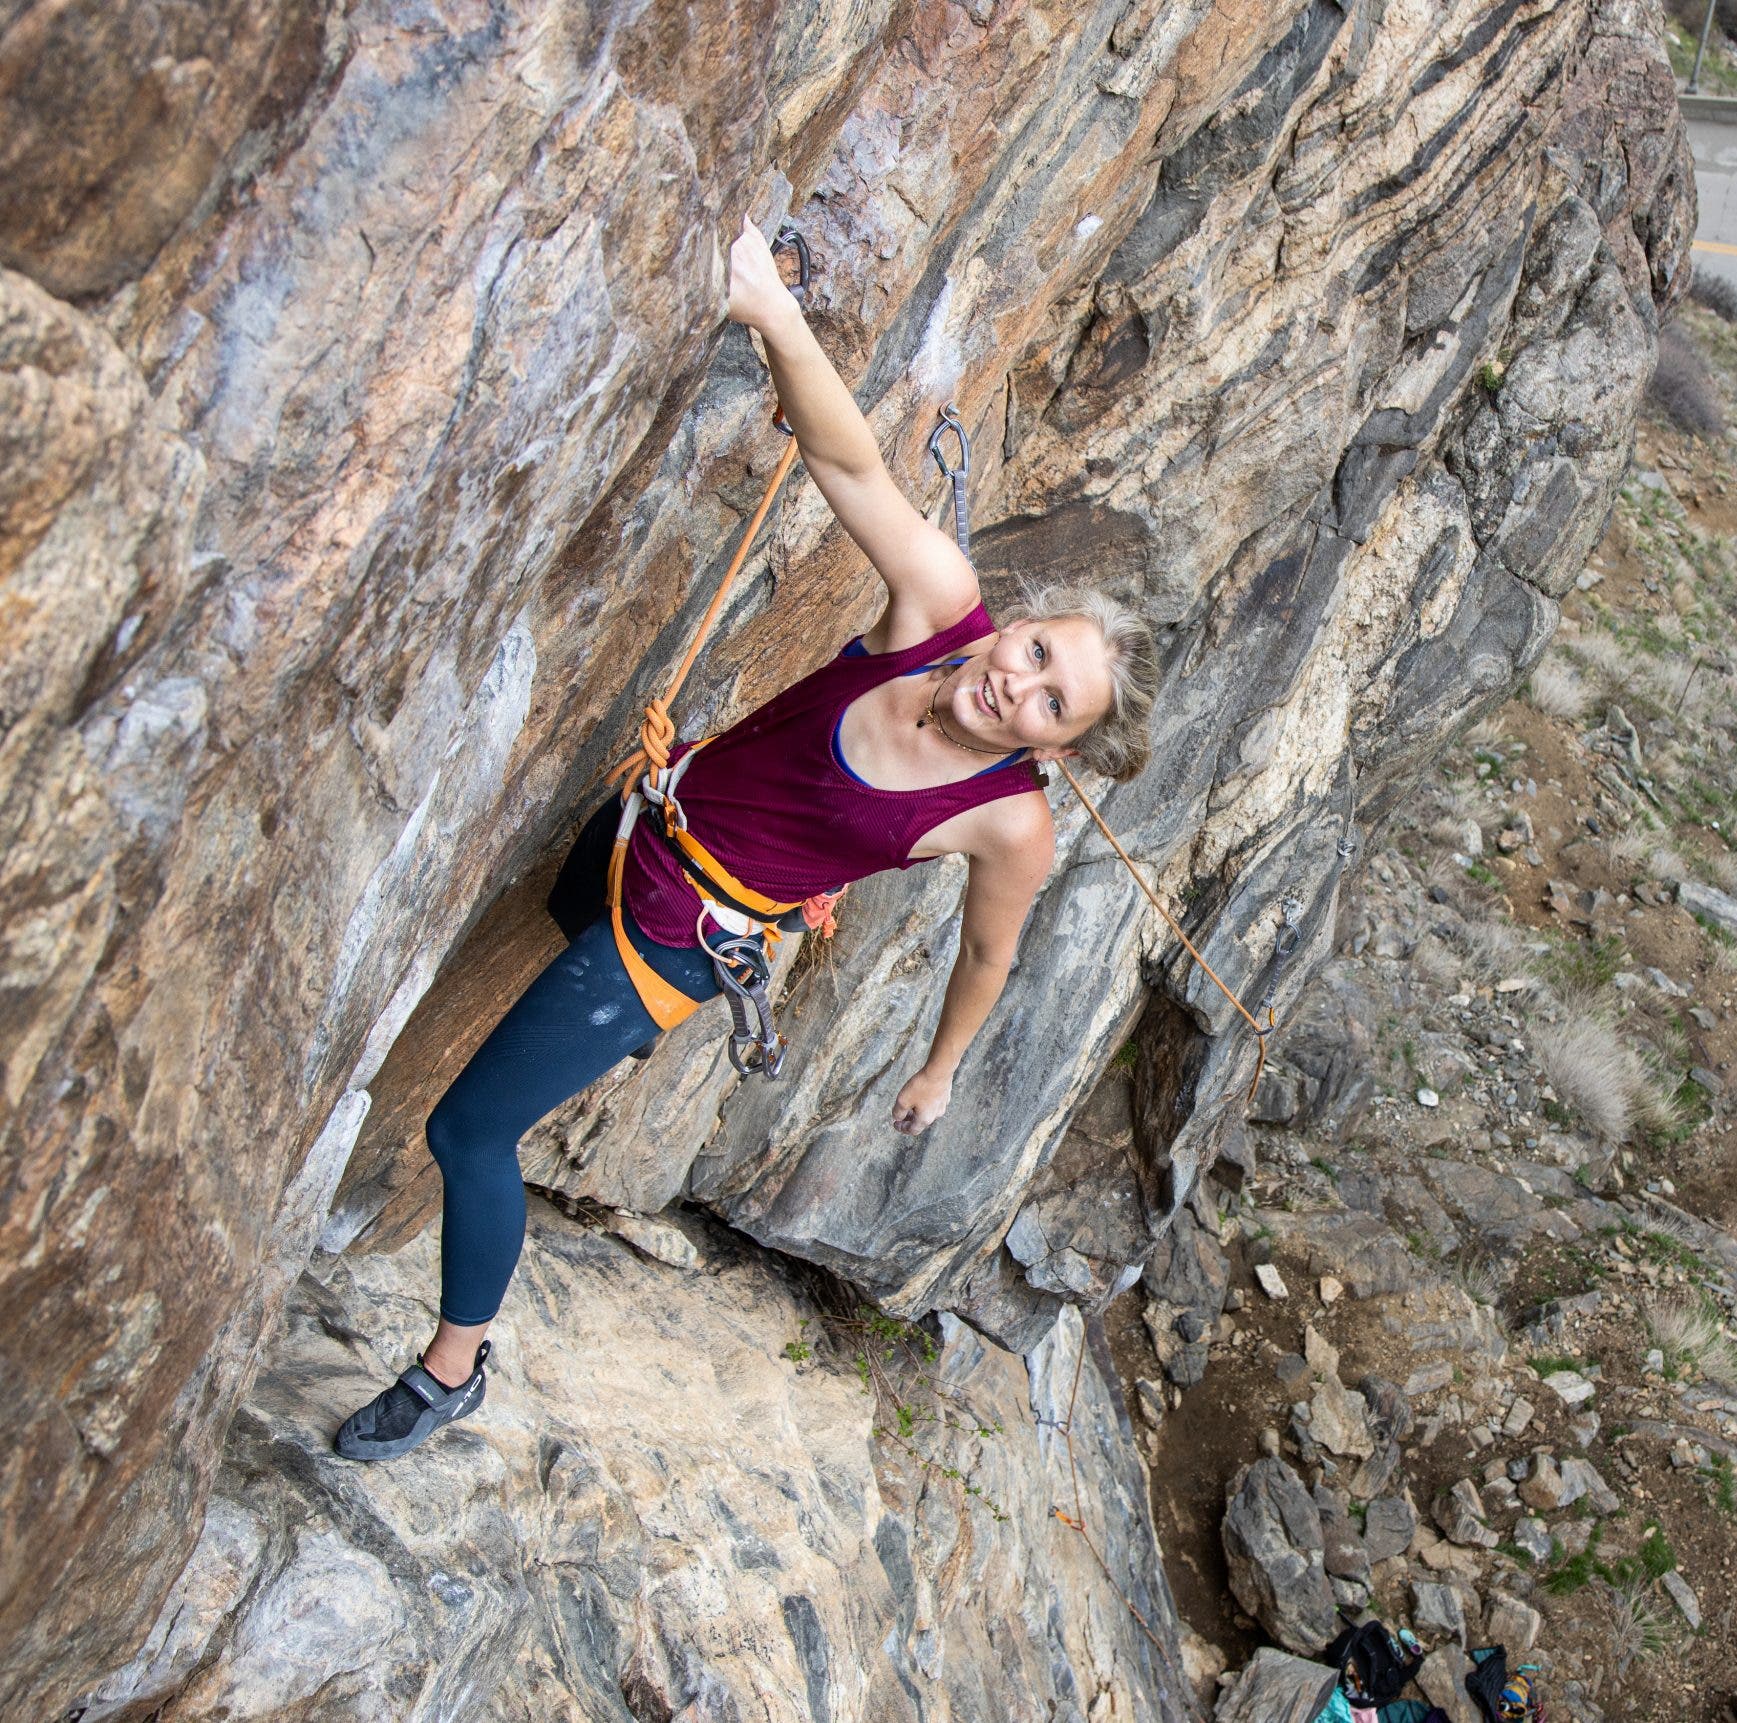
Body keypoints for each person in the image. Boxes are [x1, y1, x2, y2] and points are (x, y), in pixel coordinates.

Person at [333, 220, 1162, 1462]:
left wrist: (938, 1068)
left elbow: (987, 959)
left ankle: (454, 1365)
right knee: (523, 986)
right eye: (1038, 652)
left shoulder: (1007, 823)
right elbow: (854, 467)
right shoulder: (939, 608)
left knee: (468, 1130)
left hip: (676, 939)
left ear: (1054, 750)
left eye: (1054, 702)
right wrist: (771, 311)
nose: (1021, 683)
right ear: (1021, 623)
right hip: (637, 824)